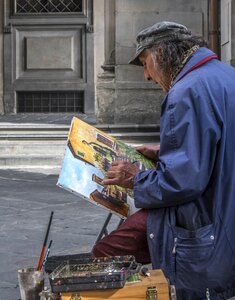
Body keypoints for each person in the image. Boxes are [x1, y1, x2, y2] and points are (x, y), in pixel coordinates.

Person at [92, 21, 235, 300]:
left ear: (160, 53)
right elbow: (218, 142)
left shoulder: (185, 92)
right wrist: (163, 151)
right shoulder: (225, 75)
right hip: (225, 205)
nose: (146, 75)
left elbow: (183, 181)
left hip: (204, 217)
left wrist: (135, 177)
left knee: (107, 251)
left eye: (145, 63)